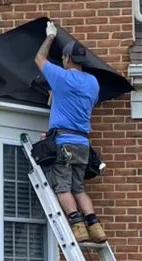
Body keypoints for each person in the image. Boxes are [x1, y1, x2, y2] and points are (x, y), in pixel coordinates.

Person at [33, 20, 107, 244]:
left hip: (64, 143)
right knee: (79, 188)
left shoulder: (62, 77)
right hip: (82, 144)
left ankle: (78, 226)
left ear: (66, 59)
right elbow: (75, 101)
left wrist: (50, 36)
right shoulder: (93, 83)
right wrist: (57, 94)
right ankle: (95, 227)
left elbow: (39, 59)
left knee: (62, 187)